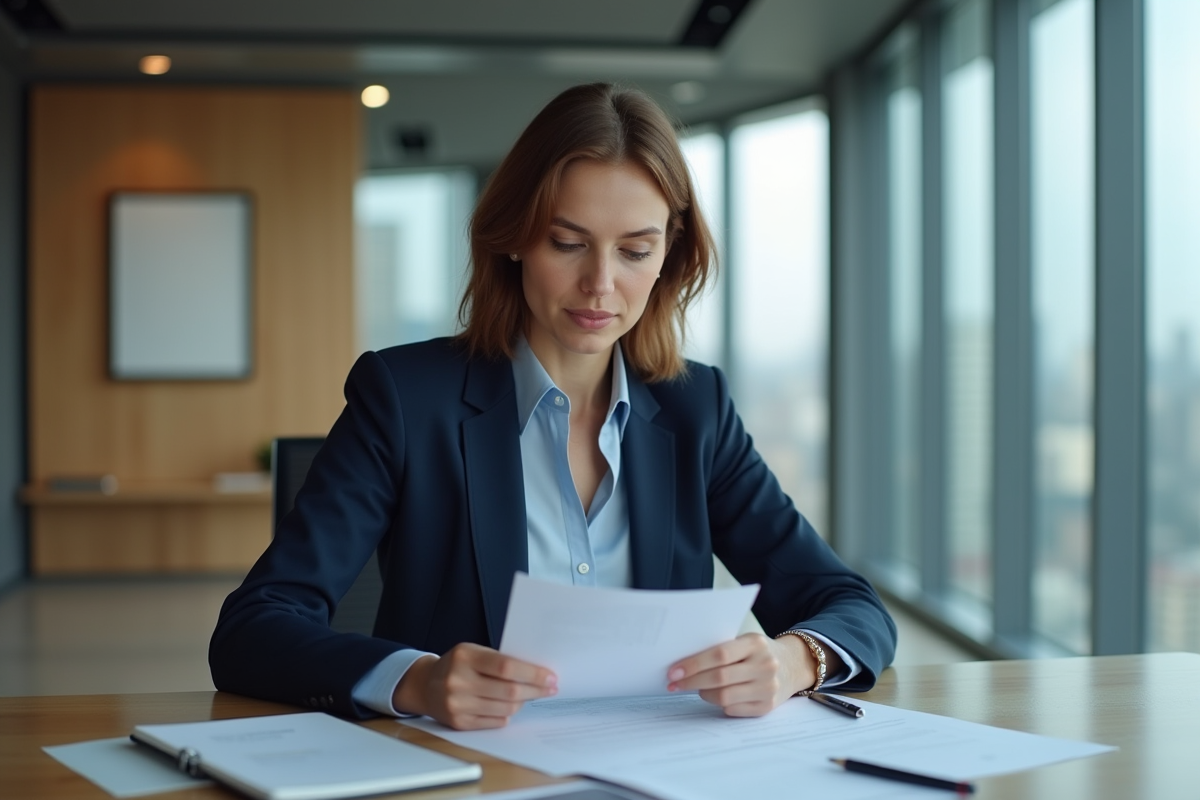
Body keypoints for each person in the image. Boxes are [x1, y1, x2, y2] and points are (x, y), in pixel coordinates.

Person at [210, 82, 896, 731]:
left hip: (657, 770)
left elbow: (850, 604)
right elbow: (253, 628)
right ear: (514, 236)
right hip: (470, 776)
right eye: (567, 244)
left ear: (669, 255)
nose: (600, 283)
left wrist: (795, 660)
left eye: (636, 250)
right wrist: (416, 680)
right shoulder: (403, 397)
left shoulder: (696, 409)